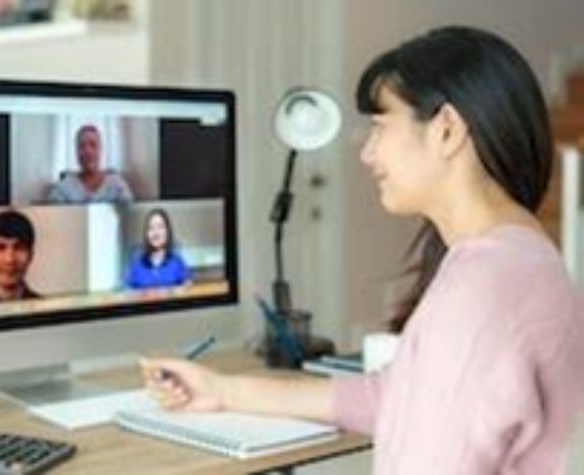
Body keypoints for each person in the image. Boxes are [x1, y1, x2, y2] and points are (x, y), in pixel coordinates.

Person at [140, 26, 584, 474]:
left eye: (380, 126)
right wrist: (223, 390)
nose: (367, 152)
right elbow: (391, 397)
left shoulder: (480, 290)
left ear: (447, 130)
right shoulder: (524, 257)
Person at [46, 124, 134, 203]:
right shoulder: (63, 188)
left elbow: (129, 216)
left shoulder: (117, 186)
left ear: (100, 150)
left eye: (93, 145)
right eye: (82, 146)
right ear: (76, 152)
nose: (88, 151)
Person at [125, 208, 192, 290]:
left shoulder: (177, 260)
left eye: (160, 227)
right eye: (150, 228)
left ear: (168, 231)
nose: (155, 232)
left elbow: (187, 285)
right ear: (146, 234)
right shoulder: (137, 261)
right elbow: (127, 290)